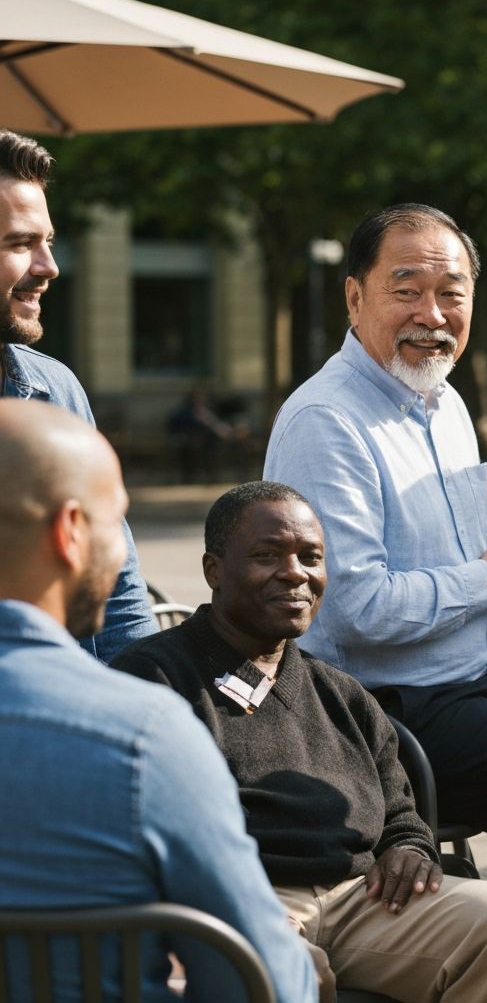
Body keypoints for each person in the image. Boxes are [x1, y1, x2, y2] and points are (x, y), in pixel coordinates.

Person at [112, 480, 487, 1001]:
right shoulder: (154, 678)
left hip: (360, 899)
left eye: (310, 557)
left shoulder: (342, 693)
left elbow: (400, 810)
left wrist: (407, 847)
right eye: (267, 555)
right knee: (289, 970)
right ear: (214, 571)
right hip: (236, 901)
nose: (295, 573)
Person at [263, 203, 487, 847]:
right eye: (407, 291)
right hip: (388, 715)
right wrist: (485, 581)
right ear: (354, 296)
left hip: (480, 691)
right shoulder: (325, 420)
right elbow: (357, 608)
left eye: (452, 293)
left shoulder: (445, 402)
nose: (433, 314)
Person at [0, 400, 322, 1003]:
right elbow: (263, 981)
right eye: (117, 523)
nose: (123, 555)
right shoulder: (144, 736)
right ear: (70, 533)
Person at [0, 128, 156, 662]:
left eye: (47, 240)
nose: (49, 266)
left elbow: (118, 587)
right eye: (21, 244)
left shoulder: (54, 388)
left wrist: (145, 701)